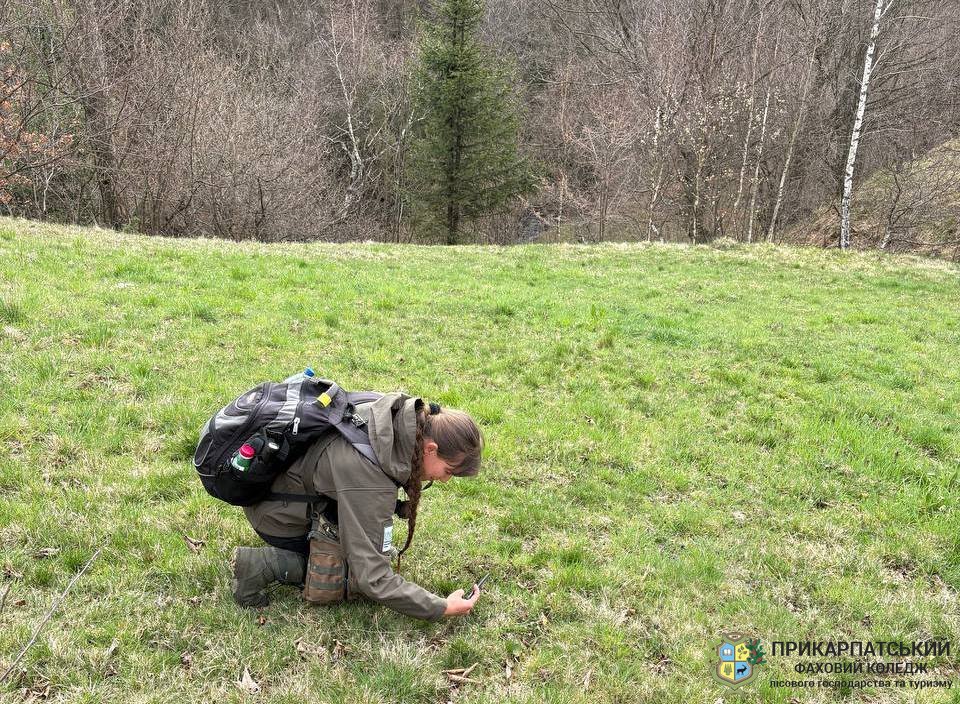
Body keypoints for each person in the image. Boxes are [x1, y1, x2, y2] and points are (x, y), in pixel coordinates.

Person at [230, 393, 483, 621]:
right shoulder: (370, 476)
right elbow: (373, 579)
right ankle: (261, 565)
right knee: (352, 577)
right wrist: (442, 607)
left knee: (368, 552)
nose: (445, 479)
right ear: (430, 449)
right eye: (449, 471)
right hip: (276, 516)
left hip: (287, 492)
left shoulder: (393, 418)